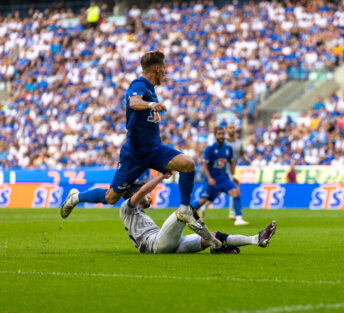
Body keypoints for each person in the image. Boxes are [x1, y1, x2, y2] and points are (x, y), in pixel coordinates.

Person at [60, 51, 220, 247]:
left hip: (154, 150)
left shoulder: (151, 89)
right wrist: (151, 104)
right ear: (157, 69)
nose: (165, 74)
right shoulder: (138, 85)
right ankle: (76, 197)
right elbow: (133, 102)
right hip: (134, 155)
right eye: (164, 70)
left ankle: (185, 209)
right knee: (111, 197)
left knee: (187, 165)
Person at [121, 172, 277, 254]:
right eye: (148, 195)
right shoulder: (126, 209)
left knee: (215, 234)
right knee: (182, 211)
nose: (150, 196)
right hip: (155, 245)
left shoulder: (139, 213)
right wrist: (162, 176)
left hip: (169, 243)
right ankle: (215, 245)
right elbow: (142, 190)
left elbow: (143, 191)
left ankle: (256, 239)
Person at [191, 126, 249, 226]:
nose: (221, 136)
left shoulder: (228, 149)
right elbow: (204, 166)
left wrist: (233, 174)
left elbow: (231, 162)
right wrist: (209, 178)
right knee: (203, 200)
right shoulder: (210, 149)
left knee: (236, 193)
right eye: (219, 134)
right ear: (215, 135)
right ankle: (186, 212)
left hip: (223, 178)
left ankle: (238, 219)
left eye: (223, 134)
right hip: (212, 179)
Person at [225, 123, 249, 220]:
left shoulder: (239, 142)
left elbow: (242, 154)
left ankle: (202, 207)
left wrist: (246, 159)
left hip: (232, 169)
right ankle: (233, 213)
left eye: (233, 127)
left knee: (217, 192)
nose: (232, 129)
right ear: (226, 130)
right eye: (230, 127)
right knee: (233, 189)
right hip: (223, 169)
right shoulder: (223, 142)